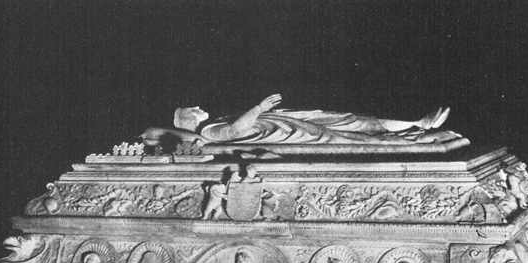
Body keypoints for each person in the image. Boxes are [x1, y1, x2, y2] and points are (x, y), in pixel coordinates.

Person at [140, 94, 453, 145]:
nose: (197, 107)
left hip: (290, 121)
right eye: (190, 108)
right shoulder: (209, 131)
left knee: (349, 119)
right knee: (350, 132)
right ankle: (412, 133)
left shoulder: (212, 122)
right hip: (292, 132)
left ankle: (418, 124)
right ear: (184, 120)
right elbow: (235, 131)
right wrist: (259, 107)